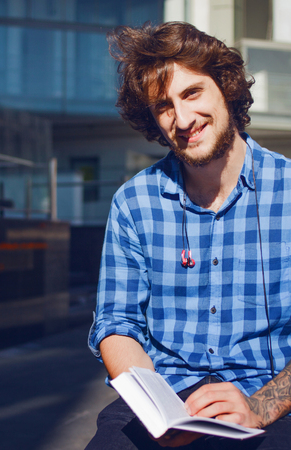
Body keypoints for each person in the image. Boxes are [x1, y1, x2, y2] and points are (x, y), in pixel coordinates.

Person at [86, 21, 291, 449]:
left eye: (192, 92)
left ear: (226, 87)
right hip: (168, 393)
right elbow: (116, 323)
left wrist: (263, 407)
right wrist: (156, 410)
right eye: (163, 106)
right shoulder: (134, 202)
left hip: (273, 396)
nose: (182, 119)